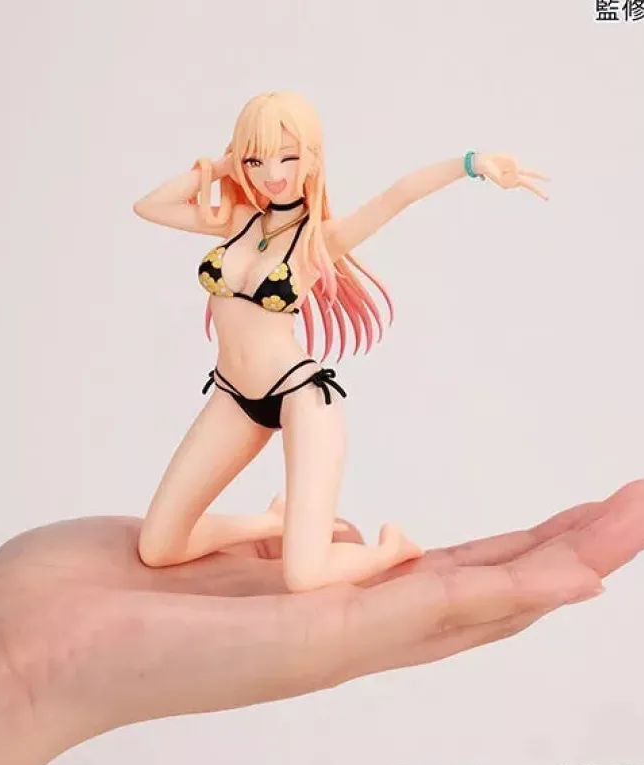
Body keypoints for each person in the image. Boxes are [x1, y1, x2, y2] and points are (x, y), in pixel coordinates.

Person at [0, 477, 644, 765]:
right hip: (247, 399)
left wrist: (463, 174)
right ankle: (343, 542)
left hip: (287, 400)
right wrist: (2, 669)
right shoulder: (246, 233)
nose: (273, 184)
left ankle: (374, 551)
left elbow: (373, 213)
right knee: (169, 542)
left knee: (300, 565)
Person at [132, 91, 550, 592]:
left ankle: (390, 549)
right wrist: (222, 166)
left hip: (299, 397)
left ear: (312, 159)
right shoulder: (236, 219)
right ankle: (269, 522)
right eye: (257, 160)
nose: (272, 174)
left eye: (288, 157)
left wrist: (472, 164)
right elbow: (149, 206)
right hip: (231, 396)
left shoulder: (319, 239)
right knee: (158, 548)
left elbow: (397, 196)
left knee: (303, 577)